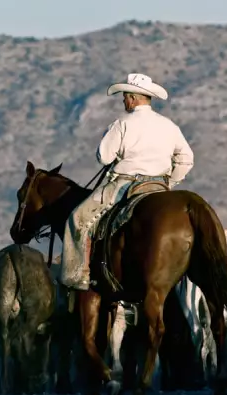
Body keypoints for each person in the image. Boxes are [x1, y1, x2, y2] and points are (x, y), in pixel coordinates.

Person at [59, 72, 195, 291]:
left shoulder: (122, 123)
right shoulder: (169, 125)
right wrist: (171, 182)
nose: (123, 101)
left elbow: (104, 157)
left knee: (78, 218)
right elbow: (186, 159)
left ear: (133, 98)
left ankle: (78, 275)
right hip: (159, 185)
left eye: (124, 97)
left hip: (125, 184)